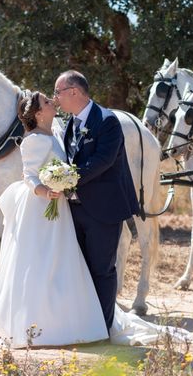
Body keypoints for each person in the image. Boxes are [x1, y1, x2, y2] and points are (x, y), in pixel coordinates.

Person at [0, 91, 190, 348]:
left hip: (61, 208)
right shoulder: (33, 140)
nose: (53, 102)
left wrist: (66, 179)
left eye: (53, 98)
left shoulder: (60, 129)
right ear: (39, 113)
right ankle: (39, 322)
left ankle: (69, 319)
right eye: (48, 103)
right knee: (42, 264)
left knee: (66, 265)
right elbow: (29, 175)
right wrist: (46, 190)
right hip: (42, 208)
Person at [53, 70, 139, 332]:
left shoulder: (107, 121)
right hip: (76, 209)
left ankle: (103, 327)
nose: (55, 99)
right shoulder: (70, 123)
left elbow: (103, 160)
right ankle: (85, 323)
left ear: (74, 92)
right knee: (81, 270)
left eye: (58, 93)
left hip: (104, 210)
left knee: (102, 270)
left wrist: (69, 179)